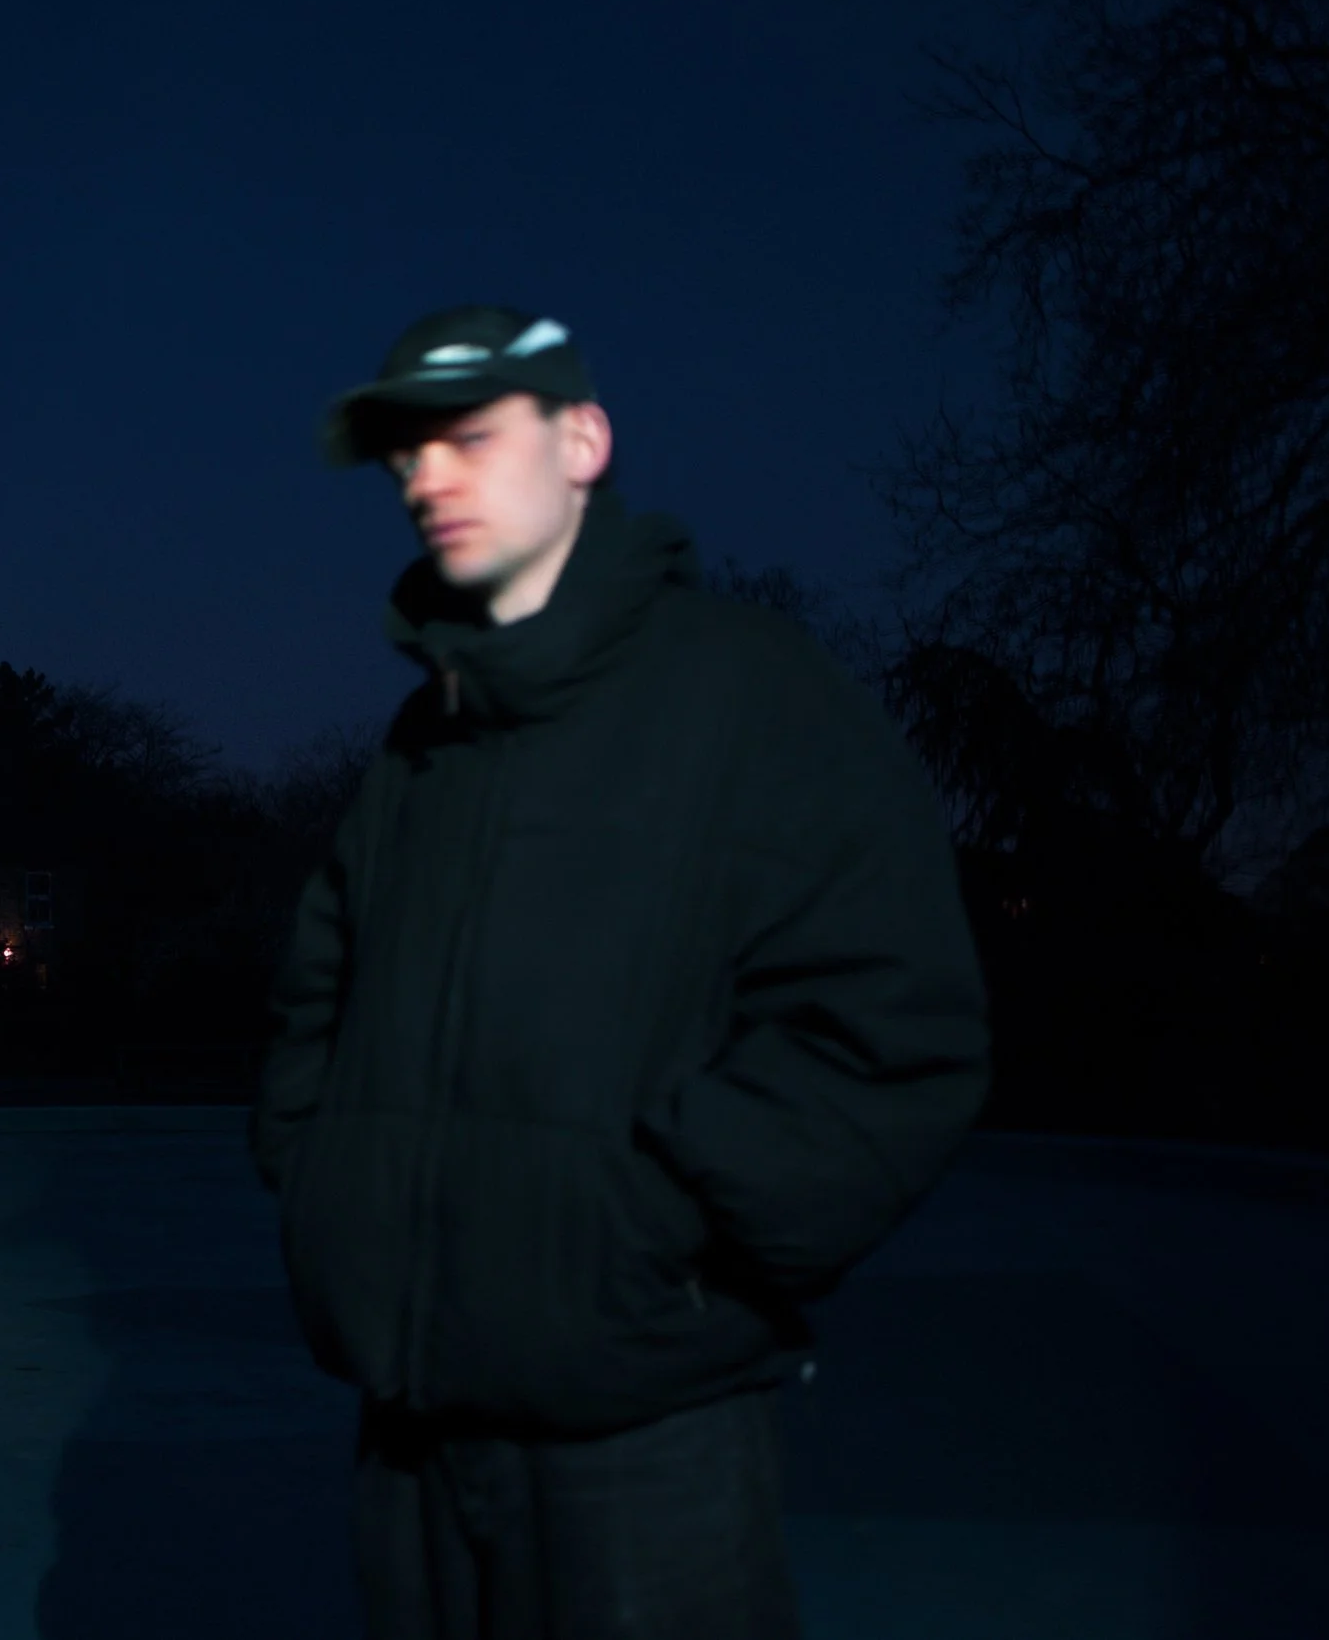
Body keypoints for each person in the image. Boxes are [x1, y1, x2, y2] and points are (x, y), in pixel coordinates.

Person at [251, 304, 992, 1639]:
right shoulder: (425, 737)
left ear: (583, 440)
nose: (426, 478)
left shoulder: (753, 690)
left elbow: (894, 1029)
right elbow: (320, 996)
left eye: (470, 437)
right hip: (412, 1428)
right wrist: (327, 1188)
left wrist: (665, 1234)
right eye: (406, 454)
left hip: (645, 1436)